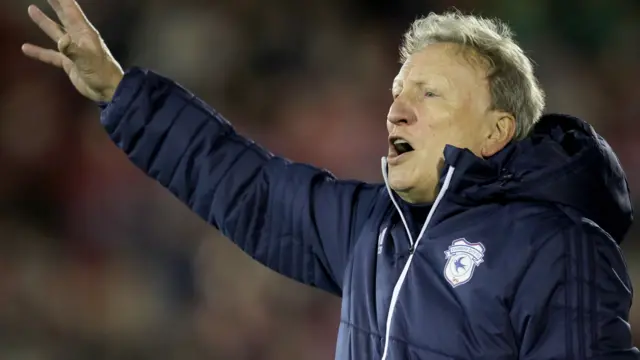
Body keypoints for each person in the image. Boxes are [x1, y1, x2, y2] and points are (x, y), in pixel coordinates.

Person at [22, 1, 638, 359]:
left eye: (429, 94)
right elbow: (247, 184)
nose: (397, 109)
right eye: (398, 92)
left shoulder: (557, 246)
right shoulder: (371, 227)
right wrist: (121, 93)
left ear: (496, 131)